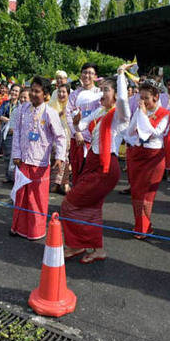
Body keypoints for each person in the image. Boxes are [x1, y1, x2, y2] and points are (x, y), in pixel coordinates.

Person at [62, 67, 131, 263]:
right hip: (92, 163)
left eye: (106, 90)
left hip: (106, 168)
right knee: (91, 208)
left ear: (116, 94)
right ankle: (96, 249)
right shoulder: (101, 111)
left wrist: (120, 75)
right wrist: (76, 122)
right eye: (101, 90)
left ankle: (77, 244)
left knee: (69, 203)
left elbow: (124, 101)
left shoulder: (119, 115)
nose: (102, 93)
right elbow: (82, 125)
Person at [10, 76, 66, 240]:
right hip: (23, 161)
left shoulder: (50, 113)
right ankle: (17, 227)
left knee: (36, 199)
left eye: (37, 91)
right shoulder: (22, 109)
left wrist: (60, 156)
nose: (33, 94)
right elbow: (17, 133)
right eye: (31, 90)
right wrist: (16, 154)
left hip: (40, 163)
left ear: (46, 94)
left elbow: (61, 137)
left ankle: (35, 232)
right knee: (20, 196)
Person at [124, 76, 170, 238]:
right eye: (141, 98)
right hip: (138, 154)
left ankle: (144, 227)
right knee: (137, 193)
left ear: (156, 97)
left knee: (147, 195)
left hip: (154, 157)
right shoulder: (139, 110)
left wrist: (143, 115)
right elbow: (130, 131)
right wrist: (132, 141)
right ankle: (141, 225)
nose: (142, 102)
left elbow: (154, 133)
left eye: (146, 99)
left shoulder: (164, 114)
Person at [66, 63, 102, 185]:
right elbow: (67, 114)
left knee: (91, 174)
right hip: (77, 139)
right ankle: (76, 200)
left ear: (95, 76)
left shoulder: (100, 93)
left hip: (93, 140)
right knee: (77, 171)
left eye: (91, 73)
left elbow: (102, 115)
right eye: (85, 72)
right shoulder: (74, 94)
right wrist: (77, 133)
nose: (87, 75)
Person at [49, 82, 72, 194]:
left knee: (64, 159)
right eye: (59, 92)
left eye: (64, 92)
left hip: (67, 135)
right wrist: (58, 114)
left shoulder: (72, 104)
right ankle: (56, 184)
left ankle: (64, 183)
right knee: (55, 159)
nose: (61, 94)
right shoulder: (52, 104)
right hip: (54, 135)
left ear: (68, 93)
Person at [0, 84, 21, 183]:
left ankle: (15, 177)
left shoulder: (21, 105)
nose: (14, 93)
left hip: (17, 133)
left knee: (16, 156)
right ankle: (7, 176)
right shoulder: (6, 103)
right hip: (7, 133)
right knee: (7, 155)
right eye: (13, 90)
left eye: (16, 91)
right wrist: (5, 119)